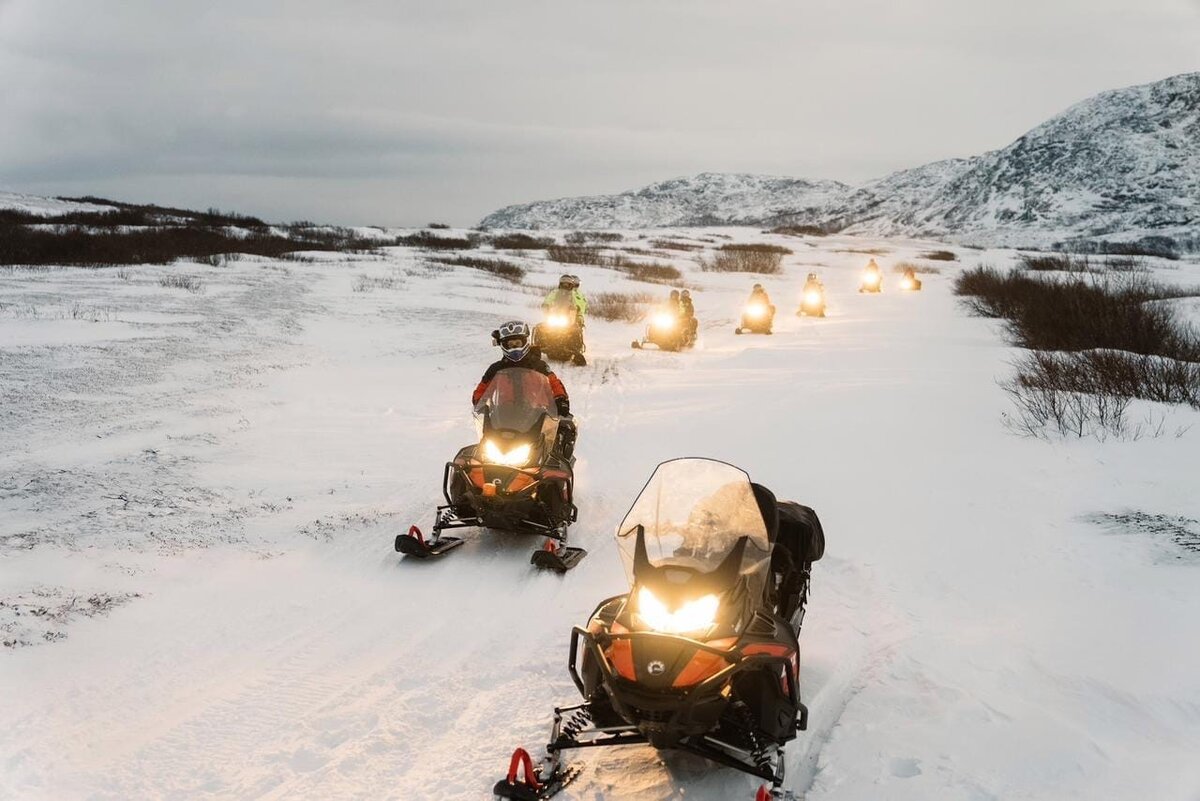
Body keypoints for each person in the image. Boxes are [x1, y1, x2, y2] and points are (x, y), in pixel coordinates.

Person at [473, 320, 575, 458]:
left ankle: (558, 462)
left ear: (524, 342)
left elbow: (554, 383)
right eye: (510, 344)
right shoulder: (496, 369)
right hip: (504, 414)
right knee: (485, 449)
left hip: (536, 414)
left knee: (562, 433)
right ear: (503, 345)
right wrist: (479, 400)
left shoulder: (539, 366)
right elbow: (483, 387)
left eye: (517, 343)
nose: (514, 347)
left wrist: (561, 399)